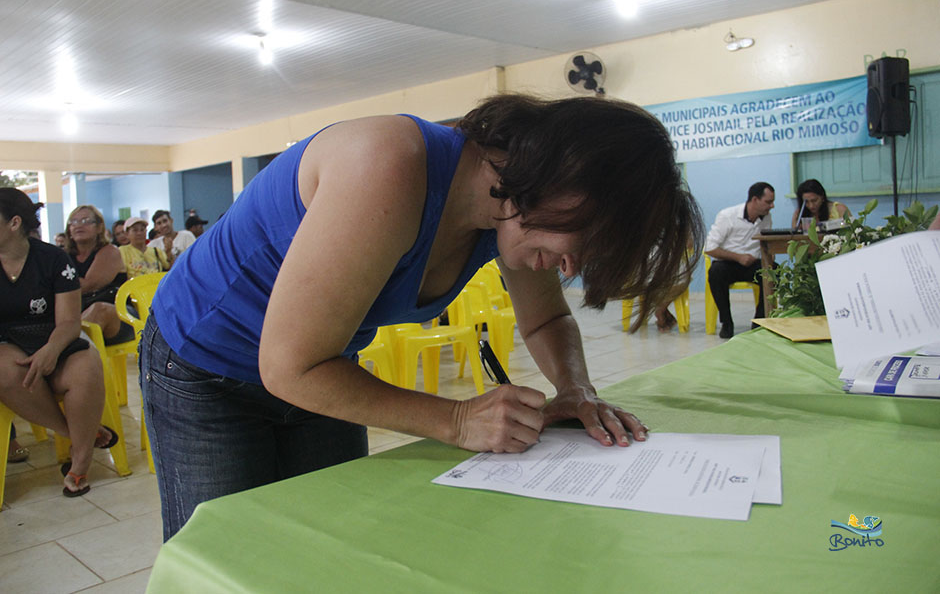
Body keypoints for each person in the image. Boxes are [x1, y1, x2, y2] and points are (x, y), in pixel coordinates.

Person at [142, 94, 703, 539]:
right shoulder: (386, 163)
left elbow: (546, 321)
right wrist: (457, 421)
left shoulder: (513, 210)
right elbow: (290, 367)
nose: (572, 266)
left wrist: (576, 389)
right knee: (228, 546)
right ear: (559, 180)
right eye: (583, 241)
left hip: (323, 367)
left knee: (327, 537)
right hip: (204, 362)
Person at [0, 188, 113, 497]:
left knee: (86, 367)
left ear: (13, 223)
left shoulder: (52, 258)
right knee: (4, 370)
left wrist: (51, 349)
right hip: (7, 341)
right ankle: (82, 436)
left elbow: (68, 322)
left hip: (54, 335)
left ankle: (80, 464)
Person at [704, 182, 775, 339]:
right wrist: (738, 257)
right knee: (715, 273)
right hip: (729, 262)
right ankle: (726, 323)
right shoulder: (727, 216)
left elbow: (766, 242)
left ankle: (759, 321)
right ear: (755, 200)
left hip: (753, 264)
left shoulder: (766, 218)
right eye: (768, 202)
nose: (772, 206)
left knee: (773, 271)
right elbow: (710, 248)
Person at [64, 205, 133, 345]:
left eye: (85, 221)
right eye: (74, 222)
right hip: (79, 312)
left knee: (99, 309)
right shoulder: (63, 256)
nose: (79, 226)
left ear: (99, 227)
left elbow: (88, 285)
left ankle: (67, 349)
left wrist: (58, 284)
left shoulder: (110, 252)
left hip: (120, 314)